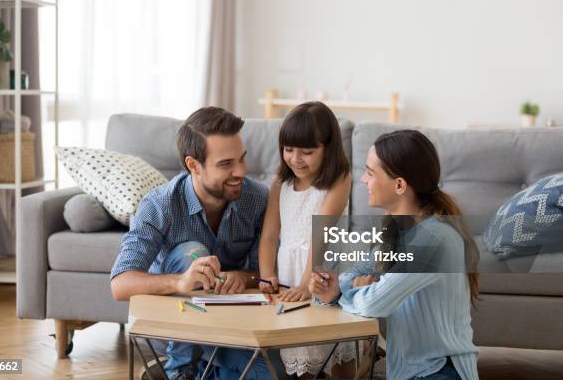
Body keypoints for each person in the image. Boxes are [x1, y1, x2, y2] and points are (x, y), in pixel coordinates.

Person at [110, 107, 276, 380]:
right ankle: (180, 372)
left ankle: (202, 370)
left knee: (269, 374)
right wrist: (179, 282)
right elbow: (120, 284)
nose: (240, 172)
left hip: (230, 325)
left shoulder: (256, 199)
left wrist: (242, 277)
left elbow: (264, 274)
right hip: (176, 327)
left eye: (242, 159)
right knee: (192, 254)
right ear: (193, 166)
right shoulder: (160, 204)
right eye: (226, 164)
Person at [309, 129, 480, 380]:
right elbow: (352, 272)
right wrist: (337, 288)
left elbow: (372, 303)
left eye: (370, 173)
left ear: (399, 185)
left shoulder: (433, 241)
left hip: (440, 372)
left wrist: (340, 292)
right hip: (411, 372)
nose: (364, 181)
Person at [258, 101, 356, 378]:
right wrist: (267, 276)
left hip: (322, 267)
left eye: (307, 152)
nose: (296, 158)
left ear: (328, 148)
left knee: (337, 349)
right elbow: (269, 235)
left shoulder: (339, 178)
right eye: (289, 150)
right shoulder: (281, 183)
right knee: (301, 352)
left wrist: (306, 282)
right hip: (290, 270)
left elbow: (321, 231)